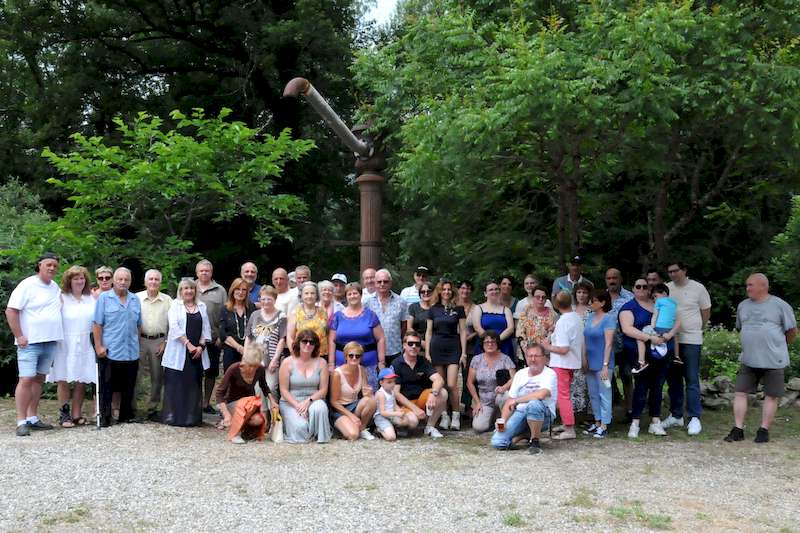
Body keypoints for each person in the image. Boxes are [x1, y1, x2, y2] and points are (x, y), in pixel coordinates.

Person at [725, 274, 797, 444]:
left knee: (771, 395)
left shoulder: (780, 305)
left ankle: (763, 430)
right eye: (746, 285)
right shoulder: (743, 306)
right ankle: (738, 429)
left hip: (773, 359)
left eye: (750, 285)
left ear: (763, 286)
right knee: (740, 392)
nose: (747, 288)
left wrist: (777, 345)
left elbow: (792, 331)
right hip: (749, 359)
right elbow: (741, 328)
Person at [7, 253, 64, 436]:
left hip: (49, 341)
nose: (52, 268)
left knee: (39, 379)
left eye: (55, 265)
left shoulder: (54, 286)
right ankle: (21, 421)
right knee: (25, 380)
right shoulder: (27, 285)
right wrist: (19, 335)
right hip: (29, 343)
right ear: (39, 265)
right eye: (49, 264)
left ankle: (32, 417)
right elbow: (11, 310)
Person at [619, 278, 673, 438]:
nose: (642, 289)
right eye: (638, 286)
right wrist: (650, 338)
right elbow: (627, 329)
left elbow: (670, 321)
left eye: (645, 286)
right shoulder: (628, 307)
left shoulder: (659, 304)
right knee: (641, 387)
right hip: (639, 354)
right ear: (633, 289)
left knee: (657, 387)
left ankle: (655, 421)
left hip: (661, 352)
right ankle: (635, 423)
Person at [663, 261, 712, 436]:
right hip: (671, 339)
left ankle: (694, 417)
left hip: (691, 339)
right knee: (673, 379)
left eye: (675, 270)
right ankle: (676, 415)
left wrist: (698, 327)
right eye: (669, 271)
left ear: (684, 270)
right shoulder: (667, 288)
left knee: (691, 378)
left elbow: (705, 311)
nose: (672, 274)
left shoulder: (698, 288)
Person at [47, 266, 96, 428]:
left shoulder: (91, 298)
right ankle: (64, 414)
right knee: (63, 379)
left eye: (82, 278)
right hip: (65, 342)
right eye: (75, 278)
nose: (79, 281)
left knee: (81, 379)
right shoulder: (61, 297)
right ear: (69, 281)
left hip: (85, 342)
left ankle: (76, 414)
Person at [93, 267, 142, 427]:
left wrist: (137, 343)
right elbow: (97, 324)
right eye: (120, 279)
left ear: (130, 282)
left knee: (128, 386)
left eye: (126, 279)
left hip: (131, 351)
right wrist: (99, 346)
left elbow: (139, 325)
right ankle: (105, 417)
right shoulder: (104, 298)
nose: (123, 282)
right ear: (114, 280)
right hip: (111, 350)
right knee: (107, 386)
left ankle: (125, 415)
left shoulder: (135, 299)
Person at [490, 344, 558, 455]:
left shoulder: (550, 374)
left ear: (544, 358)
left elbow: (541, 394)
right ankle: (524, 435)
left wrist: (517, 401)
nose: (533, 359)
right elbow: (509, 401)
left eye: (536, 356)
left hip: (543, 414)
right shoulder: (520, 374)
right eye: (530, 356)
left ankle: (535, 442)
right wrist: (502, 421)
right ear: (526, 358)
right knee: (498, 442)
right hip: (521, 413)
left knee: (534, 404)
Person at [161, 279, 212, 427]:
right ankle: (174, 417)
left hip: (196, 353)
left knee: (193, 385)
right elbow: (174, 327)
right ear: (180, 291)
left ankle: (192, 417)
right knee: (176, 384)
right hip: (179, 351)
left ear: (195, 290)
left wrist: (201, 346)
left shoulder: (202, 306)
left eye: (191, 288)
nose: (188, 291)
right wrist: (189, 345)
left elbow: (206, 329)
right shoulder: (175, 306)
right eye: (185, 288)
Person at [541, 291, 584, 440]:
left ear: (556, 304)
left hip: (562, 363)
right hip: (571, 362)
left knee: (562, 396)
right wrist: (554, 329)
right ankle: (567, 424)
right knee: (564, 394)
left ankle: (570, 429)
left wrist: (547, 346)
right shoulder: (576, 317)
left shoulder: (563, 321)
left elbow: (564, 349)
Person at [425, 278, 467, 430]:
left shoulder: (459, 308)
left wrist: (463, 353)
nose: (447, 292)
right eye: (444, 289)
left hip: (453, 347)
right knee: (440, 384)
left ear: (452, 291)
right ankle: (444, 416)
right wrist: (428, 352)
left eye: (449, 289)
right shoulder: (433, 308)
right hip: (437, 347)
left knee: (452, 384)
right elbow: (428, 332)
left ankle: (456, 415)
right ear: (439, 291)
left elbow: (462, 331)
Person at [390, 330, 448, 438]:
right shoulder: (396, 364)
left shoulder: (423, 361)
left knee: (442, 392)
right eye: (410, 344)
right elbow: (396, 393)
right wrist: (415, 409)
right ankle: (400, 424)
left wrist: (433, 393)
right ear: (404, 345)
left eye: (417, 344)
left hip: (421, 400)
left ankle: (430, 427)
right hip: (405, 403)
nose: (413, 347)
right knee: (413, 422)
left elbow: (439, 380)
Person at [329, 282, 386, 391]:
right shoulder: (337, 317)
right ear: (346, 297)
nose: (352, 296)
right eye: (349, 294)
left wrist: (381, 362)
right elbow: (332, 340)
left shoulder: (371, 315)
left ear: (361, 295)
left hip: (368, 364)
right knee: (343, 394)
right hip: (342, 363)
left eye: (355, 293)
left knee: (368, 395)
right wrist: (331, 363)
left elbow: (381, 339)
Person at [278, 328, 332, 443]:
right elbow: (283, 390)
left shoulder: (322, 362)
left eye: (312, 342)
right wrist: (298, 406)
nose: (308, 344)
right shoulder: (287, 362)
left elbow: (323, 390)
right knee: (300, 428)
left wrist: (308, 401)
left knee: (320, 408)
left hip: (313, 399)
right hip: (291, 402)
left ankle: (320, 436)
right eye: (304, 341)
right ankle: (303, 428)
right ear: (298, 343)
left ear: (316, 345)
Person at [216, 344, 276, 444]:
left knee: (259, 420)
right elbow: (219, 393)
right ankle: (235, 432)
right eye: (250, 365)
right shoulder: (234, 369)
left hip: (250, 404)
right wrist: (226, 414)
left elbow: (264, 386)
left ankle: (246, 432)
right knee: (246, 405)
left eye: (255, 366)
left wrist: (273, 401)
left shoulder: (260, 369)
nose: (252, 369)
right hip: (232, 403)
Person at [135, 269, 172, 421]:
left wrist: (166, 342)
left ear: (160, 282)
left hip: (159, 341)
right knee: (135, 375)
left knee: (157, 376)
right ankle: (132, 408)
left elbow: (174, 324)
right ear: (145, 281)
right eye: (150, 279)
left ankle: (153, 408)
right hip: (139, 340)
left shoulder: (168, 300)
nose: (153, 282)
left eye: (156, 279)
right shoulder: (136, 298)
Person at [466, 330, 516, 433]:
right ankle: (493, 418)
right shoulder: (476, 360)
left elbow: (515, 378)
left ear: (497, 344)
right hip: (484, 400)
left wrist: (504, 387)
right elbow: (469, 382)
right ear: (482, 344)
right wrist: (477, 402)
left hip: (500, 397)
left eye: (493, 342)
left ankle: (502, 422)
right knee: (478, 427)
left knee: (504, 396)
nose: (490, 344)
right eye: (487, 342)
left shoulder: (505, 358)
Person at [582, 289, 616, 438]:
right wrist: (584, 358)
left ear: (602, 302)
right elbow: (585, 339)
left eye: (593, 300)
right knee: (593, 394)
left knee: (604, 394)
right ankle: (597, 421)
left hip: (603, 364)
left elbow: (609, 344)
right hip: (590, 363)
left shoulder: (609, 319)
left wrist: (605, 365)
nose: (590, 303)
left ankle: (605, 424)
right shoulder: (590, 317)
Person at [195, 259, 227, 415]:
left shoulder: (220, 290)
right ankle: (194, 402)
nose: (204, 273)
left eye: (207, 270)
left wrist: (222, 336)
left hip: (213, 339)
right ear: (197, 272)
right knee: (195, 372)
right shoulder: (190, 287)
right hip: (193, 339)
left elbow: (225, 314)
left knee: (211, 372)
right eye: (201, 270)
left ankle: (206, 402)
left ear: (211, 272)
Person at [245, 285, 287, 400]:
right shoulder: (255, 315)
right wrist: (245, 356)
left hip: (271, 358)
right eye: (263, 299)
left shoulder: (281, 316)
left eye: (269, 299)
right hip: (255, 359)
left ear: (275, 299)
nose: (266, 302)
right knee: (257, 390)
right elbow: (248, 337)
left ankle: (274, 414)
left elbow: (282, 339)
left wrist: (275, 359)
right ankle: (263, 416)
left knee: (271, 387)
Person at [329, 341, 377, 441]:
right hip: (339, 409)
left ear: (361, 357)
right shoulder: (337, 374)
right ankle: (342, 426)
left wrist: (369, 392)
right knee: (353, 435)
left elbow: (365, 394)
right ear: (345, 356)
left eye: (358, 356)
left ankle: (362, 428)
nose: (354, 358)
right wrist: (352, 416)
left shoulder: (362, 369)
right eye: (351, 355)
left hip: (354, 405)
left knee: (372, 400)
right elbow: (333, 402)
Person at [604, 268, 634, 417]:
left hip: (625, 344)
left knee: (627, 375)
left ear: (620, 279)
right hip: (605, 346)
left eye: (614, 277)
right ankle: (607, 411)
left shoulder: (629, 297)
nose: (612, 281)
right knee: (606, 378)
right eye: (609, 278)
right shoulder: (600, 297)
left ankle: (630, 409)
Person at [365, 269, 409, 369]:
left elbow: (404, 326)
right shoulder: (366, 303)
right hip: (373, 351)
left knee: (395, 382)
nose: (382, 284)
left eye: (385, 281)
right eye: (379, 282)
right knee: (375, 383)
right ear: (375, 283)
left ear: (391, 283)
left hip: (395, 350)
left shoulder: (401, 302)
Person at [634, 283, 680, 374]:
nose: (654, 299)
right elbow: (676, 318)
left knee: (640, 337)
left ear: (663, 293)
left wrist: (652, 327)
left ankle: (641, 361)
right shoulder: (675, 303)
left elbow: (655, 315)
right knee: (676, 337)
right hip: (670, 329)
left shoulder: (659, 302)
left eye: (655, 296)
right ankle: (677, 356)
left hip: (659, 328)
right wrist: (671, 332)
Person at [471, 280, 515, 362]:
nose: (494, 291)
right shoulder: (478, 308)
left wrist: (496, 342)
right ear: (485, 293)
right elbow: (477, 327)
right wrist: (489, 342)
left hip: (504, 346)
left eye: (496, 289)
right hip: (484, 346)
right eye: (491, 290)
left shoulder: (506, 309)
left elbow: (510, 328)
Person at [219, 278, 256, 372]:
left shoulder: (251, 308)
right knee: (231, 381)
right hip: (231, 350)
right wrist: (239, 348)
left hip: (249, 351)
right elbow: (223, 334)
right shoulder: (225, 309)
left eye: (244, 290)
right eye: (237, 289)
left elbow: (255, 330)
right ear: (232, 290)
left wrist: (246, 349)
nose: (240, 292)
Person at [286, 282, 327, 361]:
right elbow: (290, 337)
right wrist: (295, 355)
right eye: (306, 293)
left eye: (312, 293)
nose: (309, 296)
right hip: (301, 356)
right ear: (301, 295)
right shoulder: (295, 313)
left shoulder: (323, 312)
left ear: (316, 296)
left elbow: (327, 333)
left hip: (321, 355)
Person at [373, 367, 417, 441]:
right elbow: (382, 412)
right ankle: (379, 430)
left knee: (406, 420)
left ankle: (394, 428)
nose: (393, 384)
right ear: (381, 383)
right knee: (391, 438)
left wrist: (399, 411)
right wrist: (396, 413)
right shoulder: (381, 394)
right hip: (381, 417)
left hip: (391, 415)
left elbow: (394, 405)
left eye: (394, 382)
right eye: (389, 382)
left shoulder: (392, 392)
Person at [457, 279, 479, 414]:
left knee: (468, 377)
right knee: (451, 379)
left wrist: (467, 338)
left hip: (470, 346)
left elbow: (478, 328)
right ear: (458, 289)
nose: (465, 291)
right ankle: (448, 407)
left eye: (468, 288)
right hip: (453, 345)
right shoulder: (452, 305)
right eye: (463, 288)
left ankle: (466, 406)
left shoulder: (476, 308)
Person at [516, 285, 558, 351]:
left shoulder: (552, 314)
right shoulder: (526, 310)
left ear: (546, 299)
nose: (540, 299)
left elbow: (553, 333)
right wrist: (525, 348)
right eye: (537, 297)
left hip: (544, 352)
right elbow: (520, 330)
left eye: (543, 297)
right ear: (533, 297)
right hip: (526, 351)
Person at [406, 281, 433, 349]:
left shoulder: (437, 308)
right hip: (417, 345)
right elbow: (409, 328)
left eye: (428, 291)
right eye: (423, 291)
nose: (426, 293)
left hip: (434, 344)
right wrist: (420, 342)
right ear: (419, 293)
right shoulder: (413, 307)